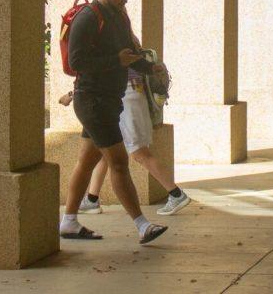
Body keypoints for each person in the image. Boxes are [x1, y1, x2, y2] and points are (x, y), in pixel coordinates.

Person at [59, 0, 169, 244]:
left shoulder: (119, 16)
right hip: (92, 101)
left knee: (86, 161)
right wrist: (115, 62)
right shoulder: (88, 17)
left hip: (110, 100)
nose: (123, 1)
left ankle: (69, 222)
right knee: (119, 162)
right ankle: (142, 225)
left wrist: (149, 67)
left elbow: (129, 54)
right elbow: (76, 63)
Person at [65, 29, 190, 217]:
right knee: (105, 148)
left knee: (139, 152)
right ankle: (91, 199)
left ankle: (176, 193)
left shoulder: (110, 34)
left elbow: (102, 73)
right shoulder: (120, 30)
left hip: (126, 96)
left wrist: (71, 94)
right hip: (125, 96)